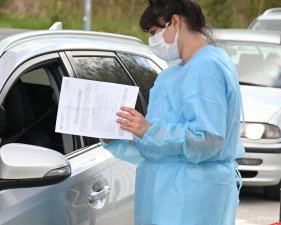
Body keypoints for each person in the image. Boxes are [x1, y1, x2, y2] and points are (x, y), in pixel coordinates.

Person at [102, 0, 245, 224]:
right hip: (165, 194)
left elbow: (209, 139)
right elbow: (158, 149)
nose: (151, 41)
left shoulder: (207, 66)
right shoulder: (172, 74)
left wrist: (149, 130)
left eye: (153, 32)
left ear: (175, 22)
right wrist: (121, 138)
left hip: (191, 196)